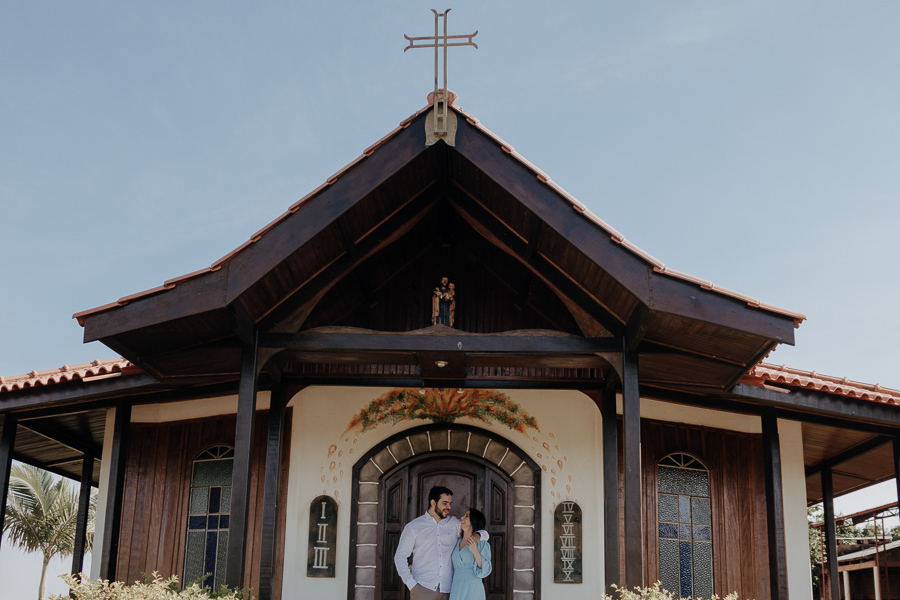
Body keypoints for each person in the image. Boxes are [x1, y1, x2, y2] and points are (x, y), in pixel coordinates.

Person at [394, 486, 488, 599]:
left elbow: (479, 529)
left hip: (449, 590)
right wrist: (412, 585)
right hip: (423, 588)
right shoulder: (413, 527)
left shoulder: (455, 524)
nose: (449, 507)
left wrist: (478, 535)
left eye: (450, 503)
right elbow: (400, 557)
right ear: (433, 503)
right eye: (445, 503)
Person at [449, 508, 492, 600]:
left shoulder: (482, 544)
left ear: (474, 521)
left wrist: (475, 551)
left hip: (473, 587)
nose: (462, 518)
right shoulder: (456, 542)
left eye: (467, 516)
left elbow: (485, 569)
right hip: (456, 587)